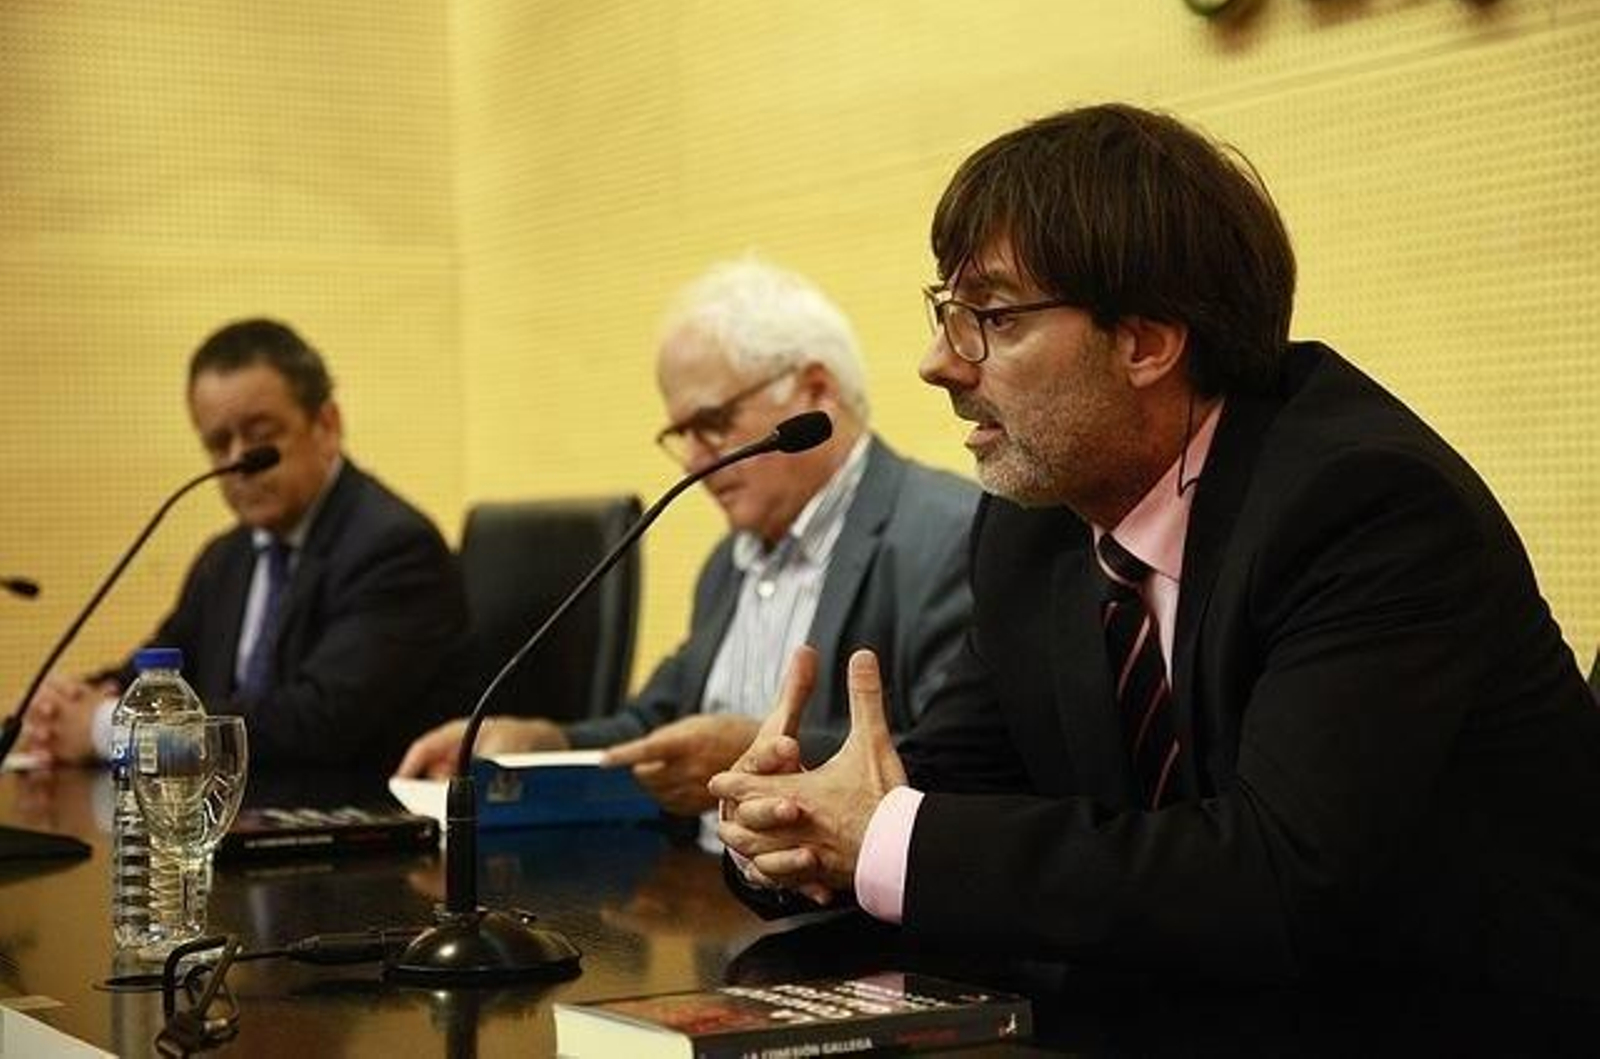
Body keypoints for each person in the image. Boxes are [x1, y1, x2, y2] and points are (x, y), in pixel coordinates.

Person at [709, 104, 1600, 1000]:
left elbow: (1278, 877)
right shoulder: (1037, 523)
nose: (939, 362)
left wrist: (886, 835)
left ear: (1146, 342)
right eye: (948, 312)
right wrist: (794, 822)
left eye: (993, 317)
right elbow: (963, 784)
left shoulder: (1362, 507)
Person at [398, 259, 980, 828]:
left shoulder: (948, 535)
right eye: (682, 435)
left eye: (713, 423)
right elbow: (658, 724)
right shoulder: (730, 561)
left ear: (816, 392)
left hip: (842, 905)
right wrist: (542, 742)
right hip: (698, 888)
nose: (699, 460)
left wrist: (759, 752)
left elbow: (961, 768)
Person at [22, 318, 468, 771]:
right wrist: (67, 708)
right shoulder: (228, 557)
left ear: (327, 426)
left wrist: (107, 729)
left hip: (356, 820)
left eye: (260, 434)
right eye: (218, 442)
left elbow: (314, 723)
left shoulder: (393, 547)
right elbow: (158, 673)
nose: (238, 461)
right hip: (233, 820)